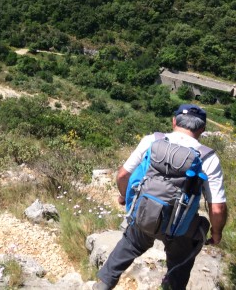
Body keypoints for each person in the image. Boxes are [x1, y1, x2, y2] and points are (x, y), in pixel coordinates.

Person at [94, 104, 228, 290]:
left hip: (146, 212)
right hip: (181, 225)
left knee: (131, 241)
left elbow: (123, 175)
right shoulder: (208, 157)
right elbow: (217, 208)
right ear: (202, 129)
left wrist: (126, 197)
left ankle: (104, 283)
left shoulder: (152, 140)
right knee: (180, 261)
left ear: (174, 121)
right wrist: (216, 232)